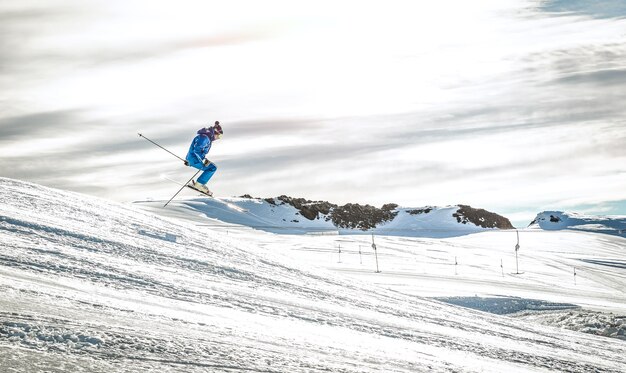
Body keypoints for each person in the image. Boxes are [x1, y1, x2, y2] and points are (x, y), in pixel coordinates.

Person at [185, 121, 223, 196]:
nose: (218, 138)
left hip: (192, 158)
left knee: (211, 167)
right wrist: (203, 160)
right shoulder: (205, 138)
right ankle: (199, 184)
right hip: (194, 159)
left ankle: (199, 184)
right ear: (215, 132)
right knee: (212, 168)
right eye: (219, 136)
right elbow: (197, 150)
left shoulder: (205, 137)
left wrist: (189, 161)